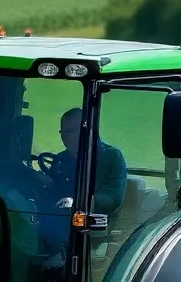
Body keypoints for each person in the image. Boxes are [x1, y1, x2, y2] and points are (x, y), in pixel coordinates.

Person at [41, 108, 127, 262]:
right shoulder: (60, 159)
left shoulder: (111, 157)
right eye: (62, 132)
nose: (64, 137)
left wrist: (79, 202)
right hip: (57, 222)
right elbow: (52, 195)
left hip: (93, 226)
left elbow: (113, 198)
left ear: (87, 130)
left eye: (70, 131)